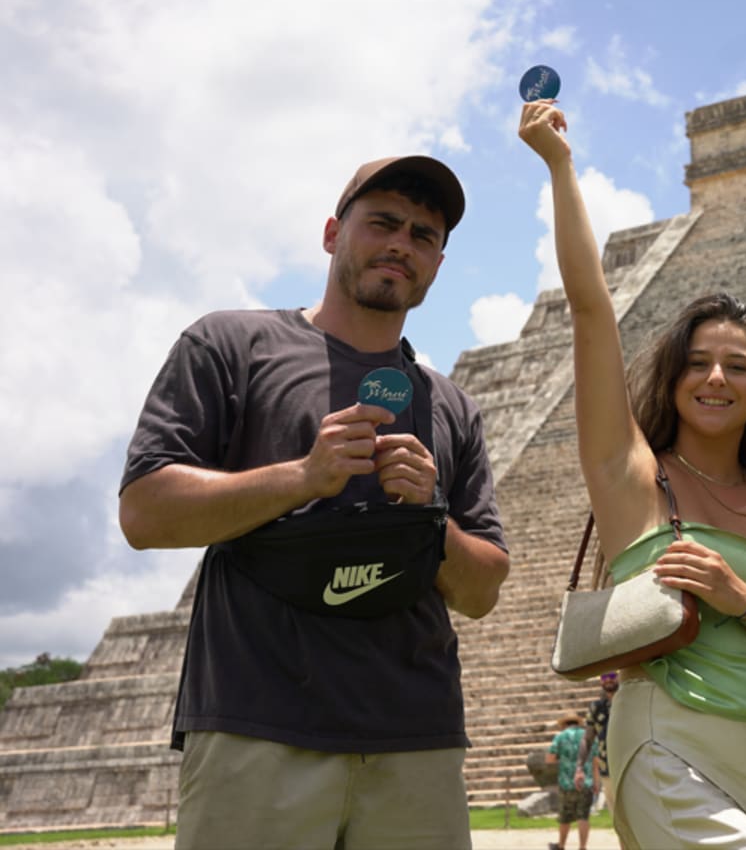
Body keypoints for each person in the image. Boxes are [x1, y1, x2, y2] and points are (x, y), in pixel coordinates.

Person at [118, 155, 510, 850]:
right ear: (333, 234)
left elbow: (481, 591)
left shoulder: (451, 406)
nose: (401, 244)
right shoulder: (232, 344)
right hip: (258, 725)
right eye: (382, 222)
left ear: (438, 265)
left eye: (423, 235)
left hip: (413, 740)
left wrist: (431, 518)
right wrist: (302, 476)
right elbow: (146, 512)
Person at [520, 99, 746, 849]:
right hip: (667, 740)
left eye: (738, 366)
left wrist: (741, 597)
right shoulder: (629, 477)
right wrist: (561, 168)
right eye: (696, 363)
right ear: (673, 378)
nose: (715, 377)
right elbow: (593, 312)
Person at [546, 711, 597, 850]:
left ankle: (561, 845)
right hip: (585, 781)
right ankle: (582, 847)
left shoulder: (560, 737)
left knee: (565, 817)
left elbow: (549, 758)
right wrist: (596, 782)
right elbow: (595, 760)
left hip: (566, 782)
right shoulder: (588, 737)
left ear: (564, 724)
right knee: (583, 816)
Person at [576, 672, 617, 813]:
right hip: (607, 771)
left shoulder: (629, 702)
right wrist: (579, 768)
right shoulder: (596, 708)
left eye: (612, 675)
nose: (608, 680)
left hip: (631, 769)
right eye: (604, 677)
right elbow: (587, 739)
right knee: (617, 819)